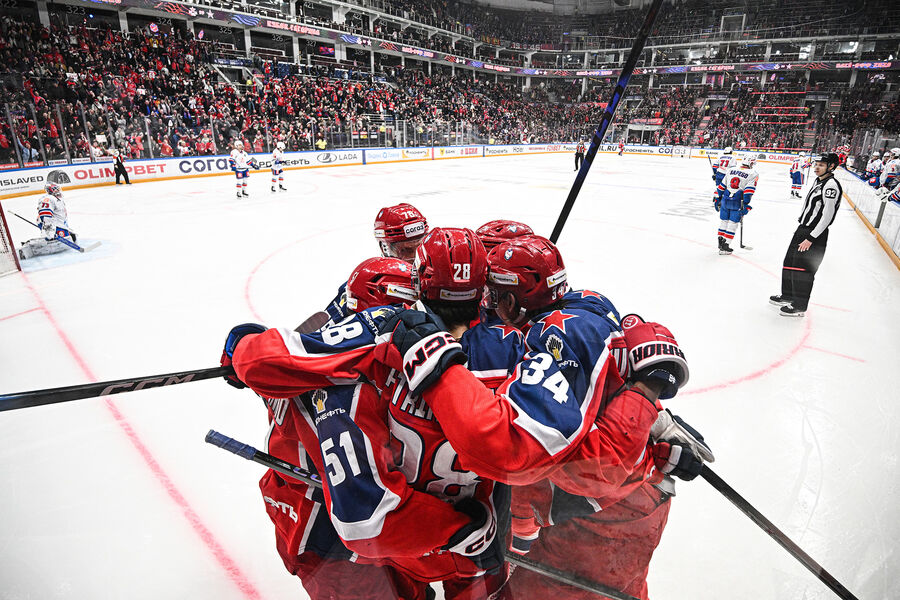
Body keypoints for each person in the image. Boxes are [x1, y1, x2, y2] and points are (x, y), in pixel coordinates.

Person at [379, 235, 710, 600]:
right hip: (609, 499)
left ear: (509, 298)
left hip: (604, 514)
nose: (484, 299)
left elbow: (581, 464)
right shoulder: (582, 305)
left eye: (490, 289)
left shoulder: (542, 341)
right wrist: (651, 409)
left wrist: (648, 394)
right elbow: (610, 375)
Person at [221, 230, 527, 599]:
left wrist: (241, 345)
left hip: (394, 542)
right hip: (476, 540)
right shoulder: (519, 343)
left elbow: (364, 519)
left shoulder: (378, 339)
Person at [252, 256, 421, 600]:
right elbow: (361, 502)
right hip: (329, 537)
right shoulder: (342, 380)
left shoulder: (322, 347)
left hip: (348, 526)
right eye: (403, 310)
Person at [770, 152, 842, 317]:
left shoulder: (830, 185)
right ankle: (788, 295)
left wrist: (811, 238)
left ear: (831, 167)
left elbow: (827, 216)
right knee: (790, 263)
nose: (816, 167)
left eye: (821, 165)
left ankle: (799, 306)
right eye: (816, 164)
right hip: (803, 229)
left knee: (803, 270)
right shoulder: (819, 181)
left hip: (814, 234)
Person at [18, 183, 76, 260]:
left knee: (70, 237)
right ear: (50, 190)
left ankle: (53, 236)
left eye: (58, 189)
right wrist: (49, 230)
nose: (58, 190)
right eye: (56, 189)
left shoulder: (58, 199)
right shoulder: (48, 199)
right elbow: (45, 215)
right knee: (56, 239)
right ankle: (30, 247)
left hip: (58, 224)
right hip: (52, 225)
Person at [715, 154, 758, 255]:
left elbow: (721, 186)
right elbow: (748, 192)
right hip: (737, 201)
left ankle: (720, 241)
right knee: (733, 223)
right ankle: (725, 246)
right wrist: (745, 205)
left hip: (725, 199)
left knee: (724, 221)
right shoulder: (753, 173)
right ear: (750, 163)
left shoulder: (731, 170)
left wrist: (717, 198)